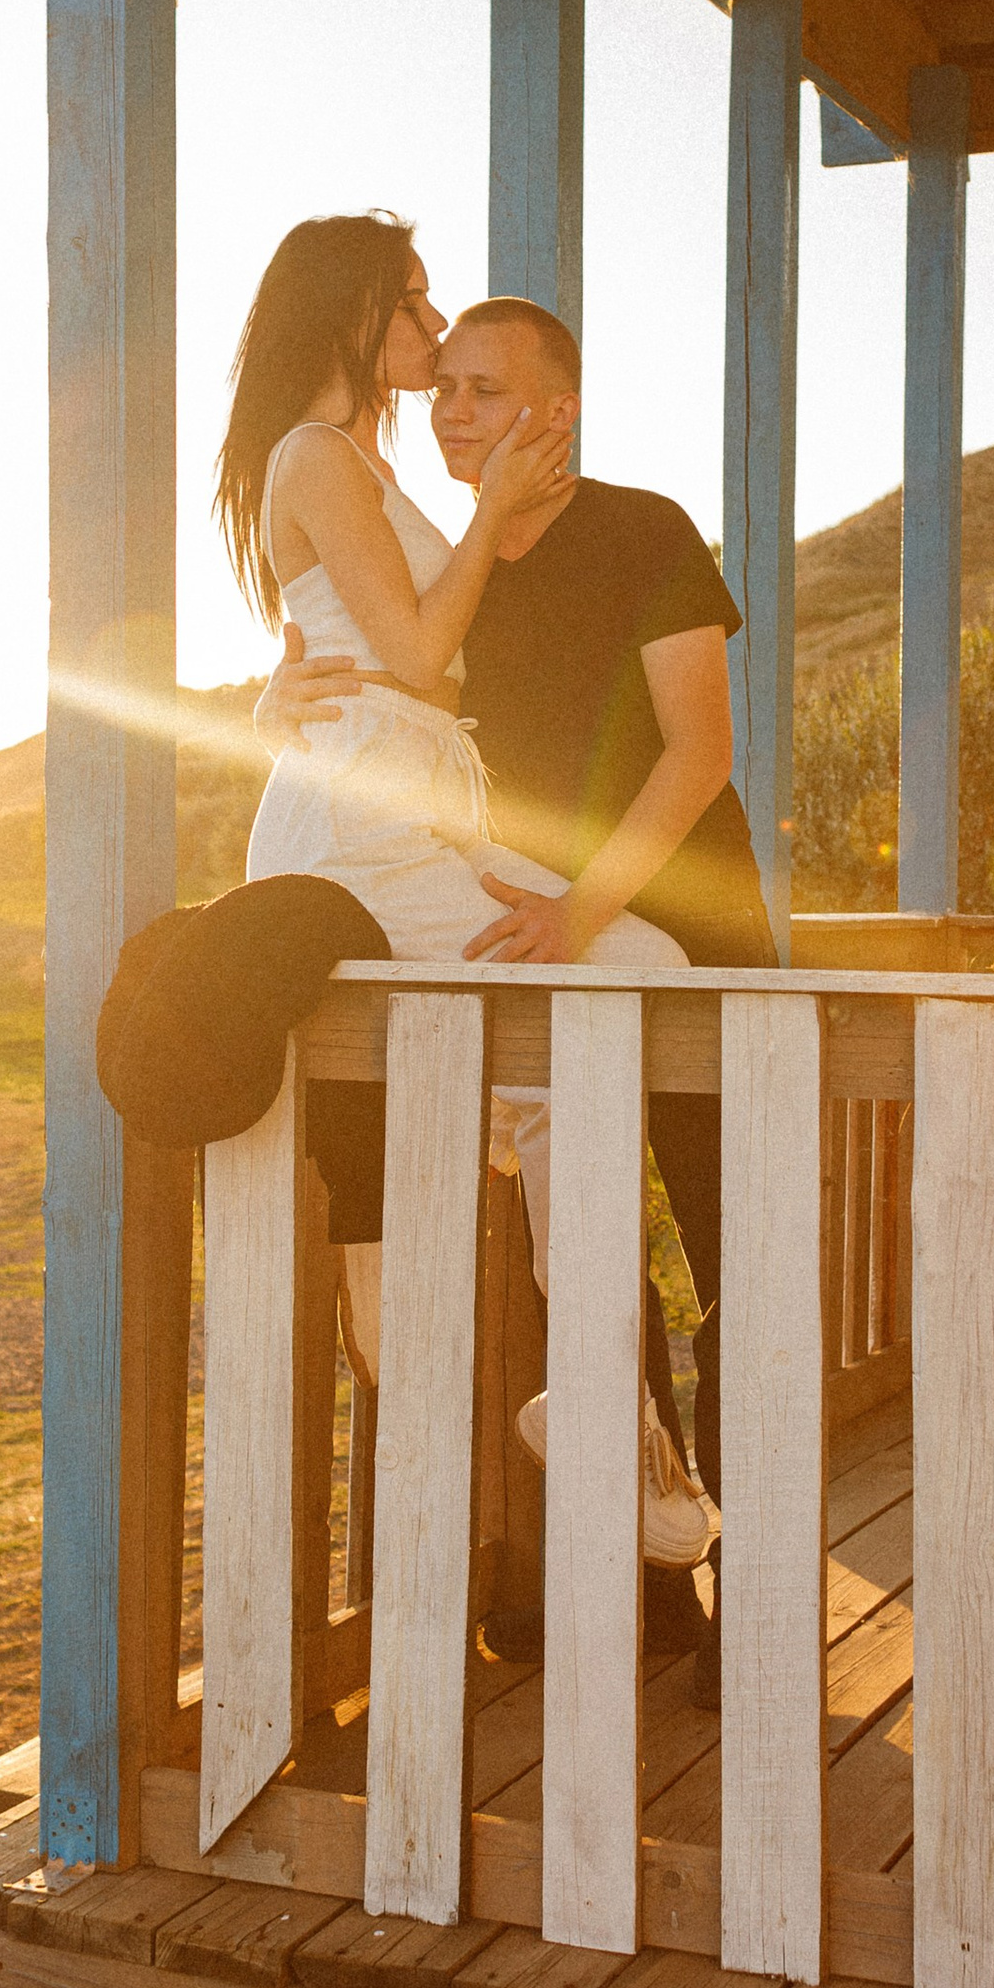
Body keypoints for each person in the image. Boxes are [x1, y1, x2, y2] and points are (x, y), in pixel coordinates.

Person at [259, 293, 777, 1691]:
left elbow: (700, 751)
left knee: (745, 1269)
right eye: (446, 392)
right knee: (599, 1258)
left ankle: (766, 1611)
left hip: (680, 936)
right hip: (528, 939)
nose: (455, 411)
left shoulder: (645, 530)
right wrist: (274, 698)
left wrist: (581, 910)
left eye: (488, 390)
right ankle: (652, 1593)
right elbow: (384, 684)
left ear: (559, 409)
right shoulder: (452, 573)